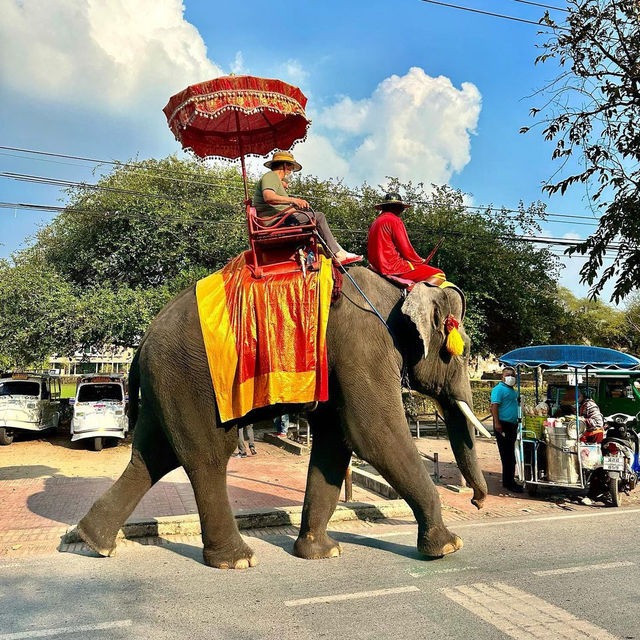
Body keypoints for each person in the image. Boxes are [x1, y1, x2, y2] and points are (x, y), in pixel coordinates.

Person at [253, 151, 361, 264]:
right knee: (319, 217)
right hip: (275, 223)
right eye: (291, 167)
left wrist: (297, 209)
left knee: (312, 220)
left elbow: (281, 206)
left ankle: (340, 252)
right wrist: (294, 200)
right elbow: (268, 196)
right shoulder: (271, 176)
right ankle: (337, 254)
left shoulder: (276, 180)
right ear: (285, 166)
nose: (291, 172)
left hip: (280, 219)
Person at [367, 192, 446, 284]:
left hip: (375, 266)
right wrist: (419, 261)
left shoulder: (375, 223)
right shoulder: (394, 220)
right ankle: (413, 293)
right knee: (439, 274)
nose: (401, 211)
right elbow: (406, 249)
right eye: (401, 208)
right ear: (395, 208)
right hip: (391, 267)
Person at [490, 367, 523, 493]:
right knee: (507, 455)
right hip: (503, 425)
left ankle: (509, 480)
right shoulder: (498, 389)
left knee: (511, 454)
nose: (511, 377)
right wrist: (497, 423)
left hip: (512, 425)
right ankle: (509, 482)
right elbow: (494, 406)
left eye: (512, 375)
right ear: (502, 377)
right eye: (508, 375)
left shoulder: (512, 390)